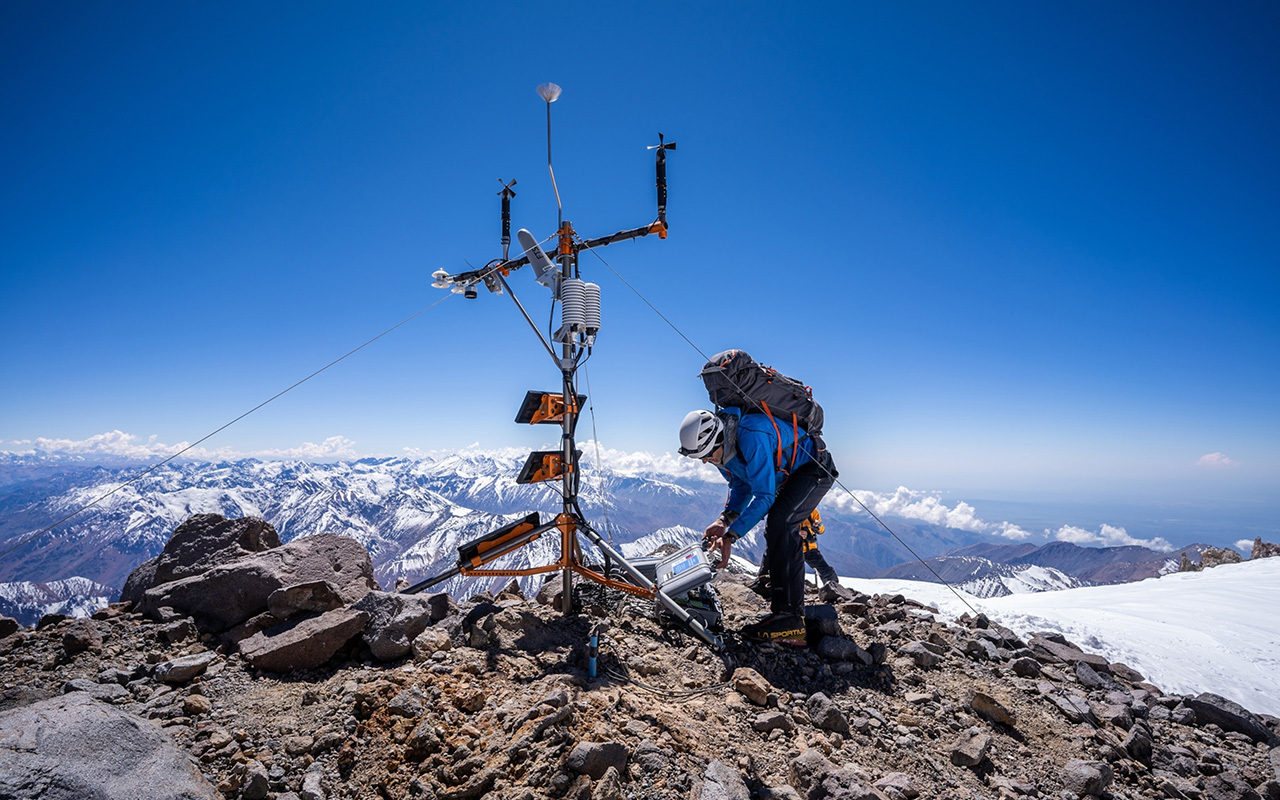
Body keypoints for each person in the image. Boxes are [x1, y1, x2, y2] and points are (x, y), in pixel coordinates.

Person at [678, 407, 836, 644]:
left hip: (814, 468)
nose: (704, 461)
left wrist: (731, 537)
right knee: (777, 525)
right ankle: (780, 604)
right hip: (791, 475)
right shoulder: (723, 449)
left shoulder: (751, 436)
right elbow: (742, 485)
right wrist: (724, 520)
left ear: (718, 438)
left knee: (782, 522)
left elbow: (764, 496)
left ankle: (790, 620)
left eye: (707, 455)